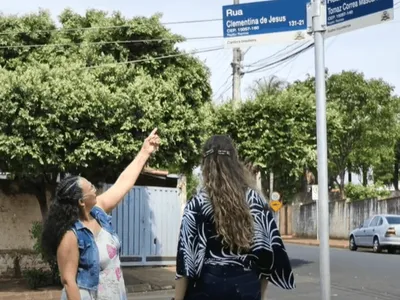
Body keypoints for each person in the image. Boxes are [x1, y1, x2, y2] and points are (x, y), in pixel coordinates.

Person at [41, 129, 160, 300]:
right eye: (90, 188)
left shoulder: (98, 213)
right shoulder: (70, 234)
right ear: (81, 202)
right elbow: (68, 281)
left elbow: (123, 183)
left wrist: (144, 151)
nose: (94, 189)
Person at [173, 135, 295, 300]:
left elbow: (185, 261)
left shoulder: (197, 204)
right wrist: (261, 295)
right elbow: (267, 255)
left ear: (205, 165)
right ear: (235, 163)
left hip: (206, 288)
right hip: (247, 287)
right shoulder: (254, 201)